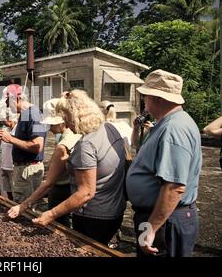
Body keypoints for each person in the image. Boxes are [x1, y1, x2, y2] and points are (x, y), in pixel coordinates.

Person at [31, 90, 126, 245]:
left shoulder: (86, 145)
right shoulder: (110, 128)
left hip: (92, 216)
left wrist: (51, 214)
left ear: (77, 116)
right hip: (114, 211)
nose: (66, 125)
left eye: (67, 119)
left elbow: (86, 193)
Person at [126, 69, 202, 257]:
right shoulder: (170, 123)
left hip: (164, 222)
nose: (144, 101)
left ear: (158, 98)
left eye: (146, 97)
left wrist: (151, 229)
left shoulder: (173, 129)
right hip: (162, 218)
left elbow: (174, 186)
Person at [7, 98, 81, 227]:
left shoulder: (63, 145)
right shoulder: (74, 136)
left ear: (62, 122)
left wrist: (24, 205)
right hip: (68, 189)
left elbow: (49, 182)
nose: (49, 129)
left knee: (61, 225)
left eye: (51, 125)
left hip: (61, 190)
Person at [0, 84, 47, 204]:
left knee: (25, 209)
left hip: (28, 170)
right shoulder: (25, 114)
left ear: (16, 99)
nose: (8, 107)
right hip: (24, 169)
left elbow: (37, 146)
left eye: (8, 103)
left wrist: (10, 139)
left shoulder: (33, 114)